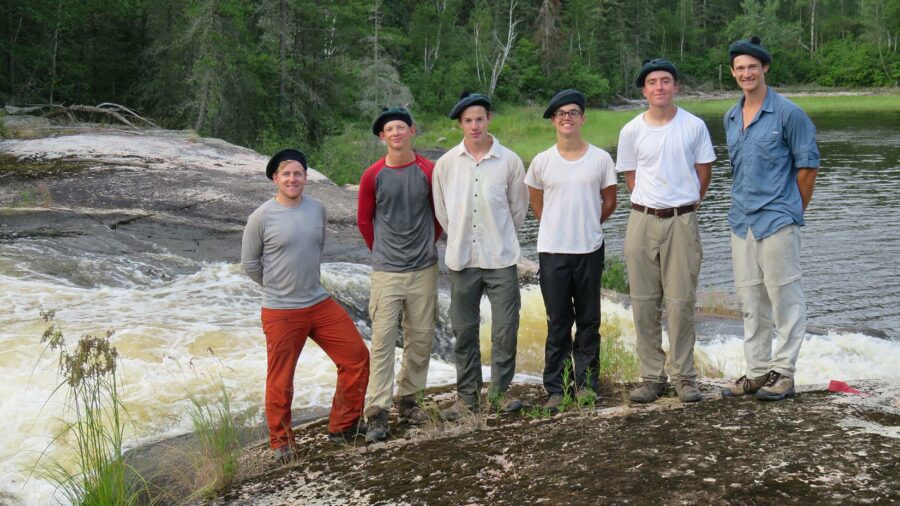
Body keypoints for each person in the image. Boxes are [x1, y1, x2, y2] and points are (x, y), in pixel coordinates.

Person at [242, 149, 370, 464]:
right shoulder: (261, 216)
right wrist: (277, 288)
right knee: (281, 380)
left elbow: (316, 247)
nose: (292, 179)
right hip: (281, 310)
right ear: (275, 178)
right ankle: (281, 444)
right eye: (286, 174)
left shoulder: (318, 209)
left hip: (318, 301)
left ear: (306, 177)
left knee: (356, 358)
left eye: (298, 173)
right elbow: (249, 264)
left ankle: (343, 426)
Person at [721, 37, 819, 401]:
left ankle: (785, 373)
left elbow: (807, 167)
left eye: (753, 66)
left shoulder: (788, 113)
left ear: (765, 68)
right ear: (733, 73)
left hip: (778, 220)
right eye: (740, 68)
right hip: (741, 221)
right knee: (751, 301)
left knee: (785, 298)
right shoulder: (731, 117)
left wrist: (792, 212)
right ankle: (757, 372)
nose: (747, 73)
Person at [615, 60, 715, 404]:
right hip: (641, 220)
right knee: (643, 303)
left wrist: (685, 205)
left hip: (682, 221)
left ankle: (684, 377)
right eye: (652, 82)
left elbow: (704, 172)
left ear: (676, 87)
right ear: (644, 90)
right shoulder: (631, 130)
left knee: (681, 302)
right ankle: (651, 377)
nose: (659, 87)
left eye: (666, 81)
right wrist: (650, 204)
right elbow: (631, 176)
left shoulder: (694, 126)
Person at [432, 91, 529, 418]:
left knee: (505, 330)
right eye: (468, 120)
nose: (474, 126)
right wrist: (460, 235)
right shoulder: (445, 164)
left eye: (480, 119)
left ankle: (499, 395)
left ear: (489, 119)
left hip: (500, 259)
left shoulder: (510, 161)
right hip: (461, 260)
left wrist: (496, 235)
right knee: (464, 331)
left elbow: (518, 210)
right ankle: (467, 398)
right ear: (461, 123)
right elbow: (443, 213)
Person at [525, 89, 617, 412]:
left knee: (589, 321)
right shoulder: (541, 162)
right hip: (553, 252)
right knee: (558, 322)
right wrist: (557, 225)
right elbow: (537, 204)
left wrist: (588, 222)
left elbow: (610, 201)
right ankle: (557, 389)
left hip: (590, 249)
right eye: (561, 113)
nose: (567, 118)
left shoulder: (601, 159)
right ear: (553, 120)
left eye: (573, 112)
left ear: (583, 118)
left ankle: (587, 385)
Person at [357, 107, 441, 442]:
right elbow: (365, 221)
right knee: (382, 342)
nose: (396, 133)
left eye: (401, 127)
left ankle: (409, 401)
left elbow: (438, 215)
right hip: (387, 272)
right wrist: (382, 252)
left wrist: (425, 245)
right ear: (382, 137)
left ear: (412, 132)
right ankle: (377, 412)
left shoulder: (428, 170)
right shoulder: (372, 175)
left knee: (421, 337)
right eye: (389, 129)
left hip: (424, 268)